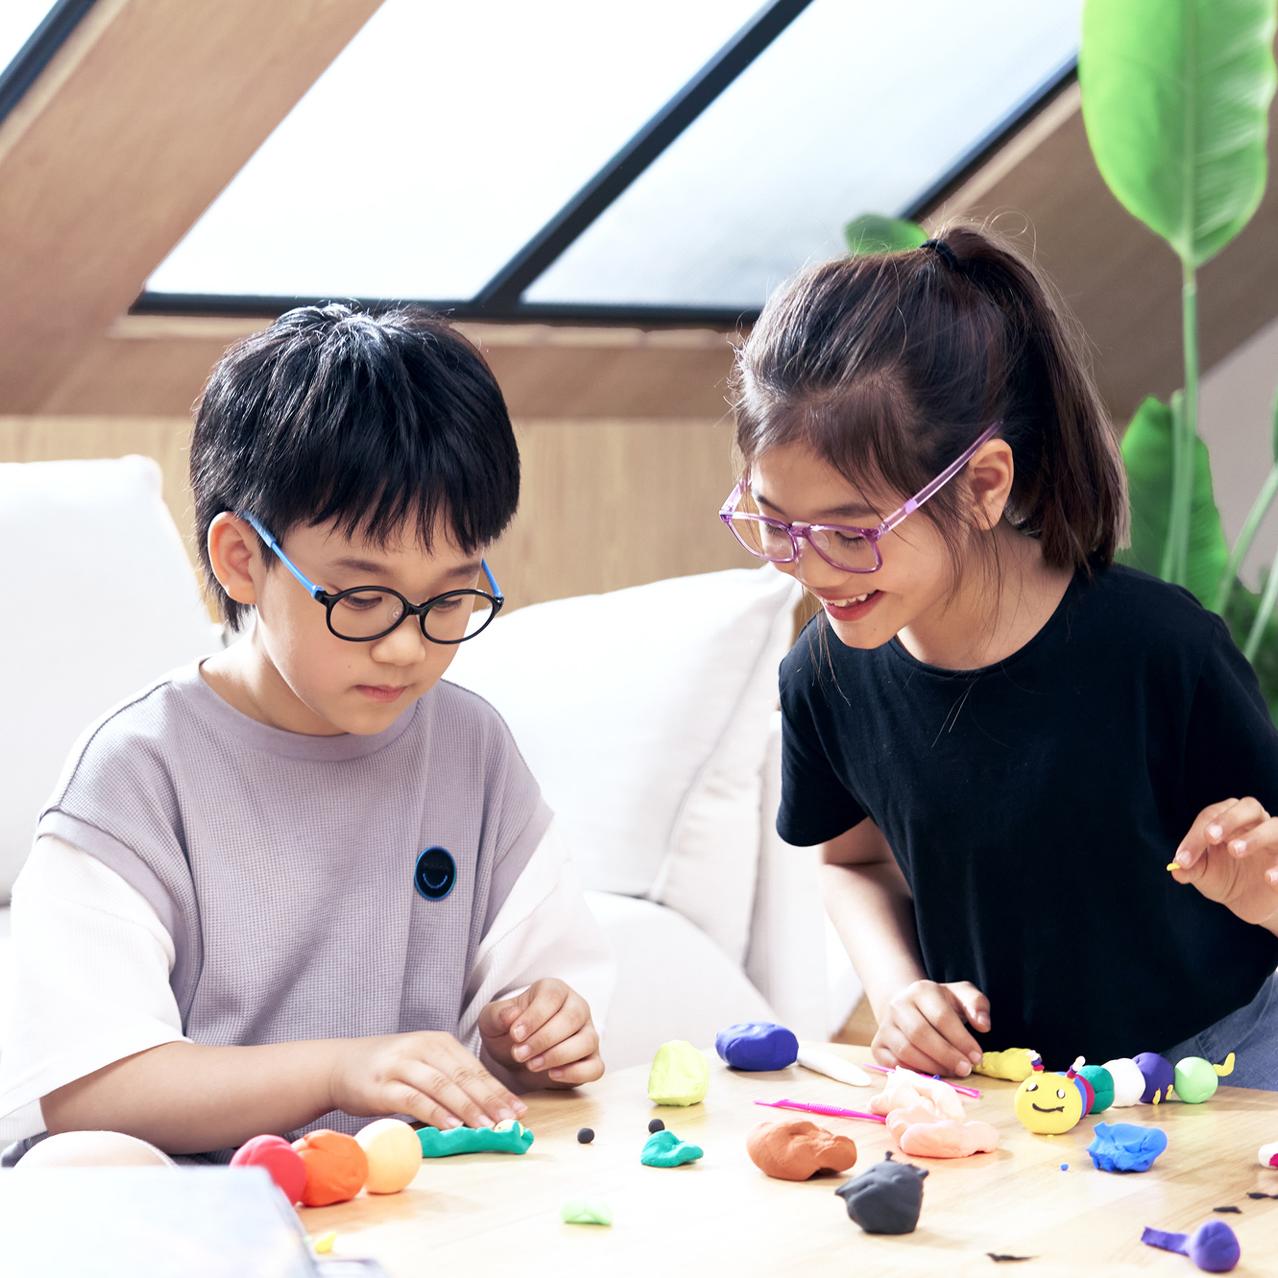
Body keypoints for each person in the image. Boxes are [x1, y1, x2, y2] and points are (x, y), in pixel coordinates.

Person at [0, 304, 613, 1162]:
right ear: (242, 559)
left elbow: (543, 994)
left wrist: (535, 1036)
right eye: (361, 598)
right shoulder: (138, 769)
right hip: (199, 1216)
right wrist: (336, 1071)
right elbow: (84, 1086)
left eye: (449, 598)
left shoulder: (472, 749)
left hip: (410, 1205)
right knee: (86, 1162)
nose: (407, 645)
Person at [720, 225, 1278, 1085]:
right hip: (1015, 1090)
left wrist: (1258, 890)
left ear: (983, 486)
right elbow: (851, 863)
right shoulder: (825, 675)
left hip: (1225, 1064)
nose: (807, 564)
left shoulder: (1158, 651)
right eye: (773, 521)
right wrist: (902, 993)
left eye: (849, 532)